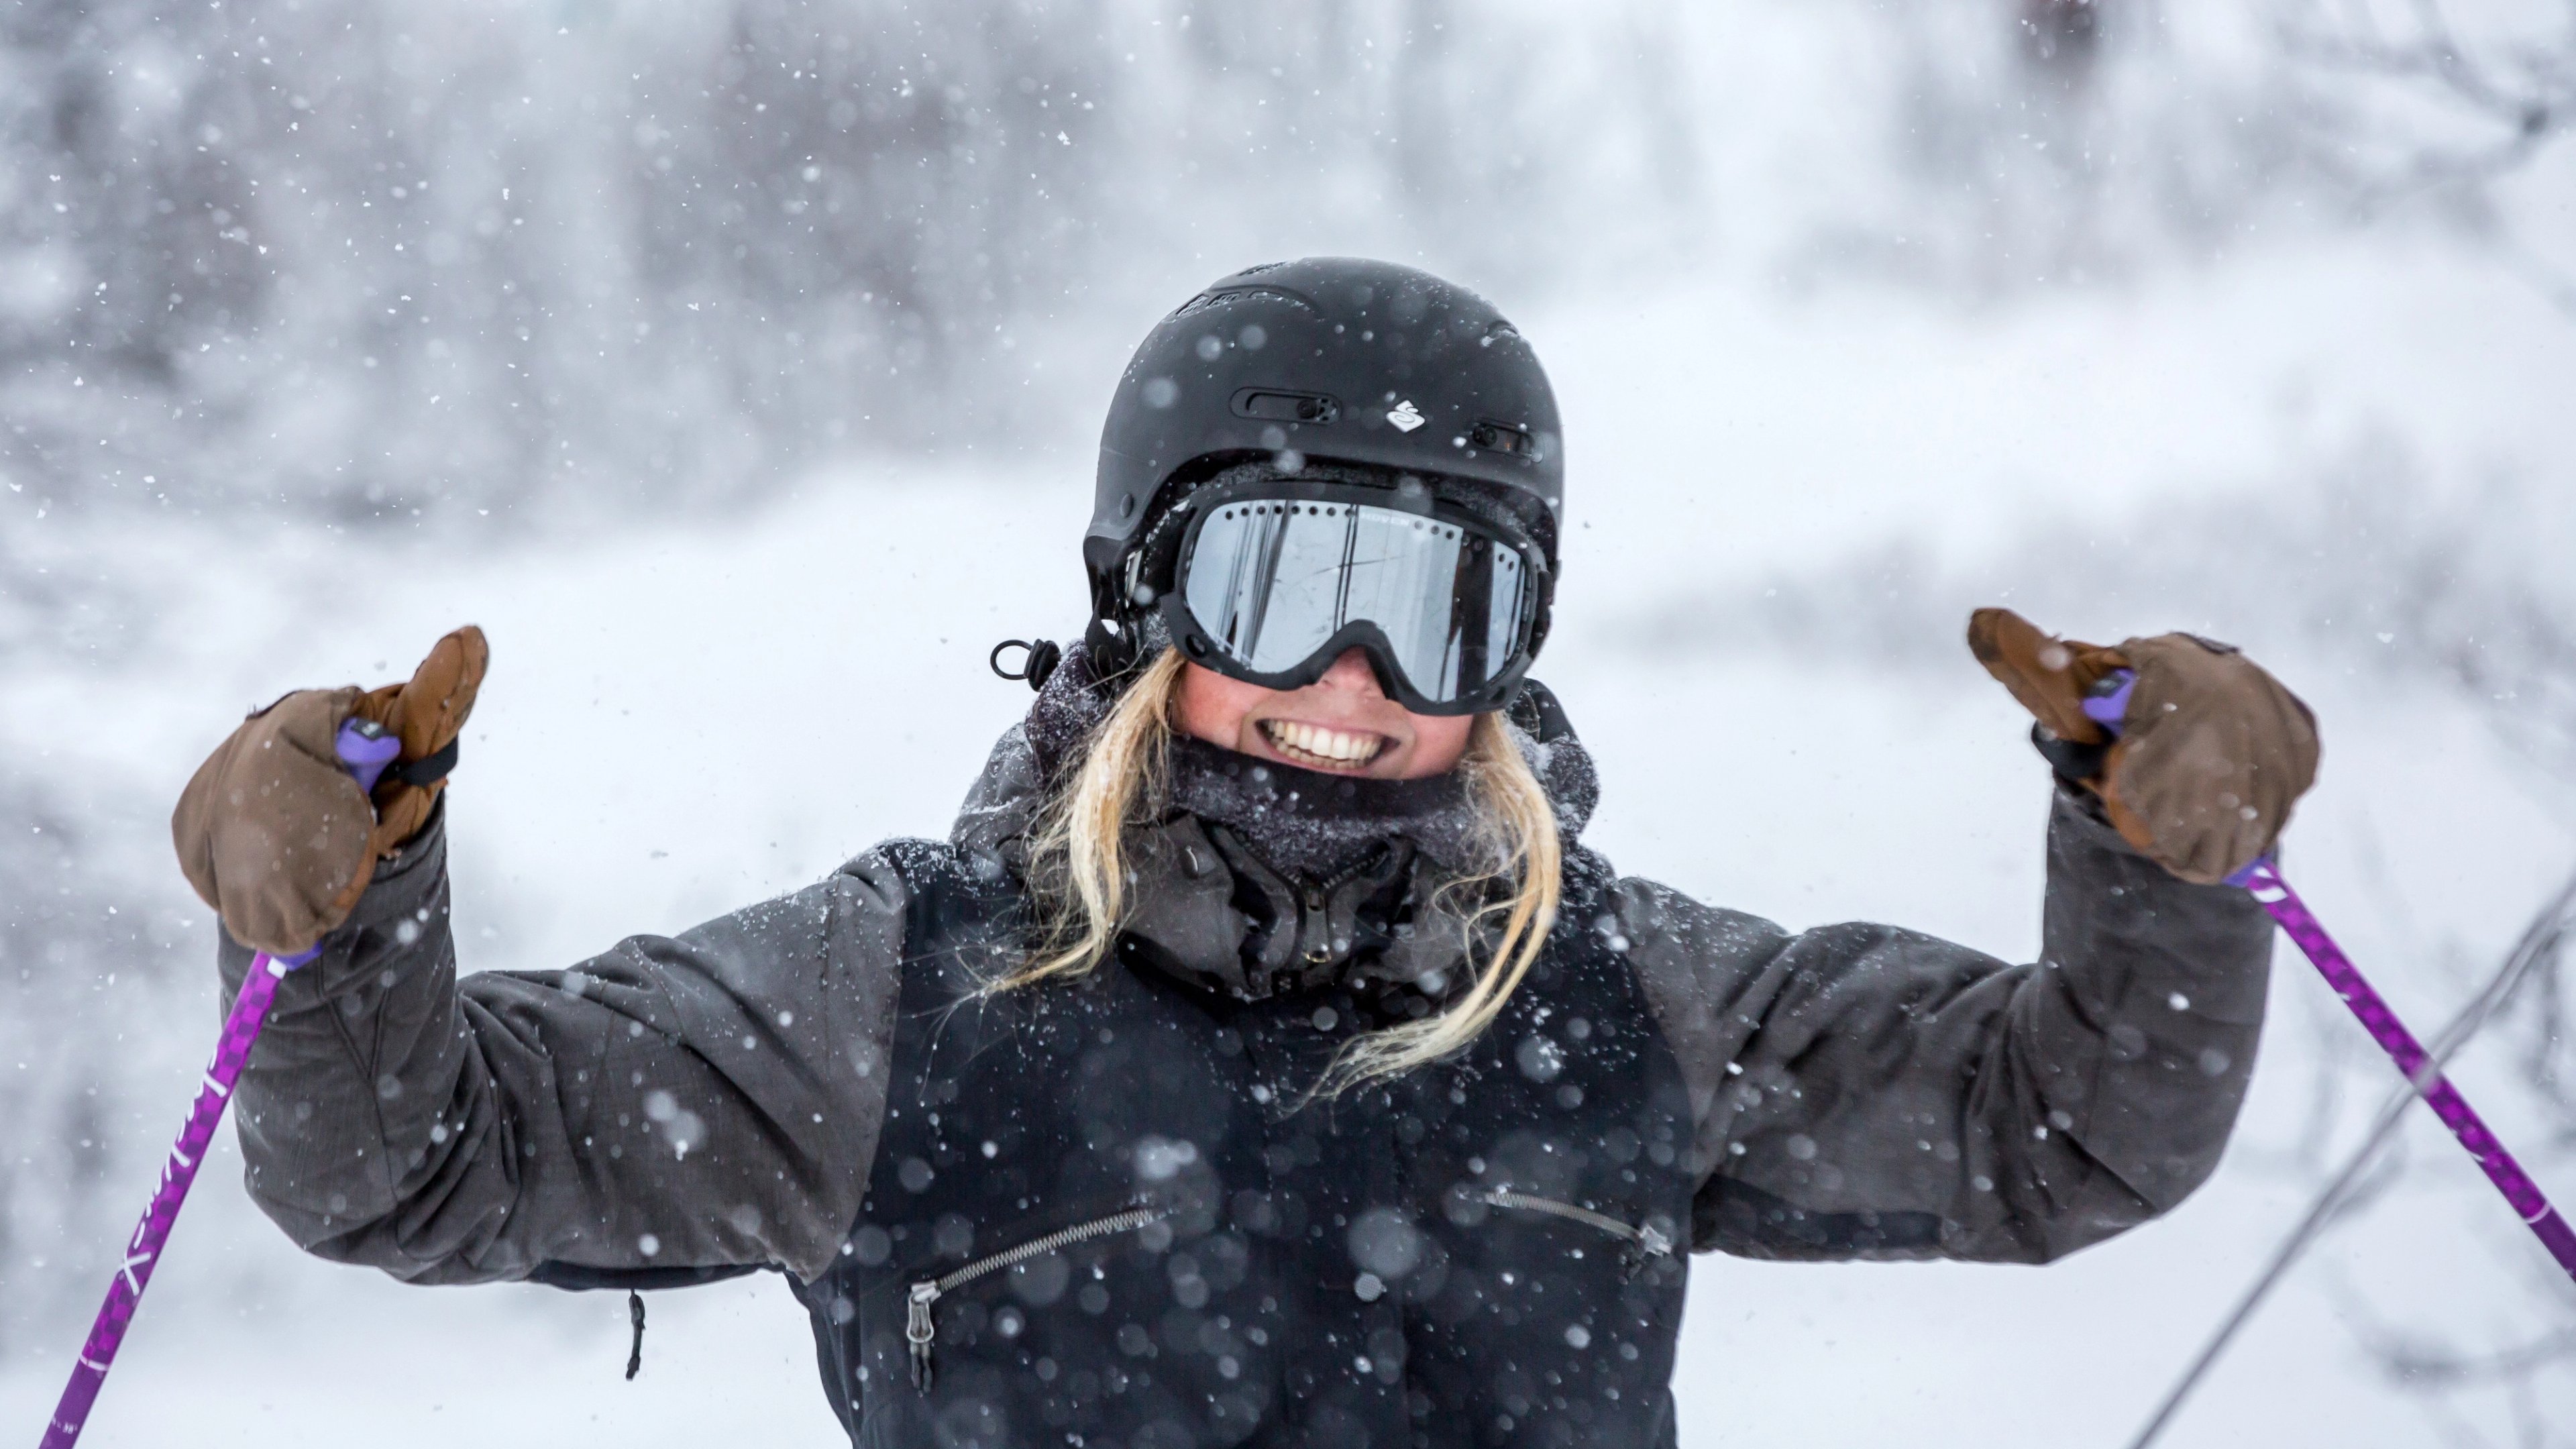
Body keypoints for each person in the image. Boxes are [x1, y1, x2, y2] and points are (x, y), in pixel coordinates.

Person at [174, 257, 2320, 1449]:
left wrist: (2165, 862)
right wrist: (344, 910)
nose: (1361, 676)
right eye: (1287, 575)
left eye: (1449, 600)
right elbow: (416, 1162)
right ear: (1144, 598)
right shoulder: (898, 1002)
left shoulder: (1618, 998)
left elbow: (2066, 1128)